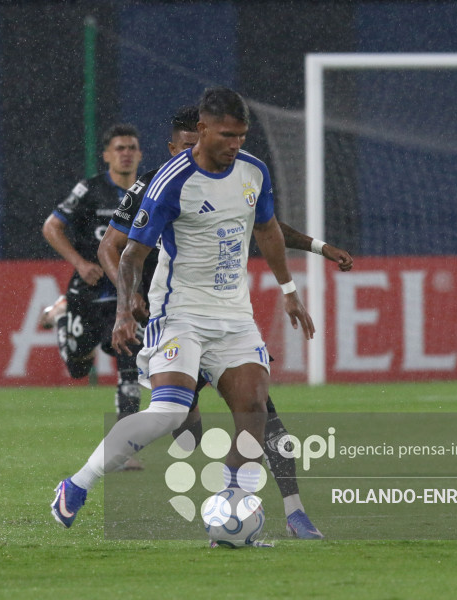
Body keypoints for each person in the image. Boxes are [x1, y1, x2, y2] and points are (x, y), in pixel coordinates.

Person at [51, 88, 314, 537]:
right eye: (227, 135)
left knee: (254, 409)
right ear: (204, 131)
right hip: (180, 315)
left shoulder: (253, 170)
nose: (235, 144)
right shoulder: (171, 180)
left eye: (242, 135)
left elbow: (267, 229)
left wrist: (289, 288)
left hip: (235, 316)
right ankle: (78, 484)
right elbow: (130, 253)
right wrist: (124, 313)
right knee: (170, 416)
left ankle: (232, 507)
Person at [97, 105, 353, 539]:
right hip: (172, 315)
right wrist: (131, 298)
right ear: (177, 145)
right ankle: (201, 452)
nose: (203, 154)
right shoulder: (156, 184)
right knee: (186, 431)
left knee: (264, 414)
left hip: (223, 317)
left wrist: (317, 246)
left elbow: (265, 223)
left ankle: (294, 510)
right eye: (187, 146)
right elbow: (111, 246)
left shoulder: (233, 172)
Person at [42, 124, 147, 458]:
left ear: (140, 153)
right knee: (78, 368)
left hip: (125, 294)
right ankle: (61, 315)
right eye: (119, 148)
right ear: (107, 155)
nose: (126, 153)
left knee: (129, 368)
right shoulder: (90, 190)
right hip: (88, 293)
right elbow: (52, 227)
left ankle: (125, 450)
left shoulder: (150, 191)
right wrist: (79, 263)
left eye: (131, 147)